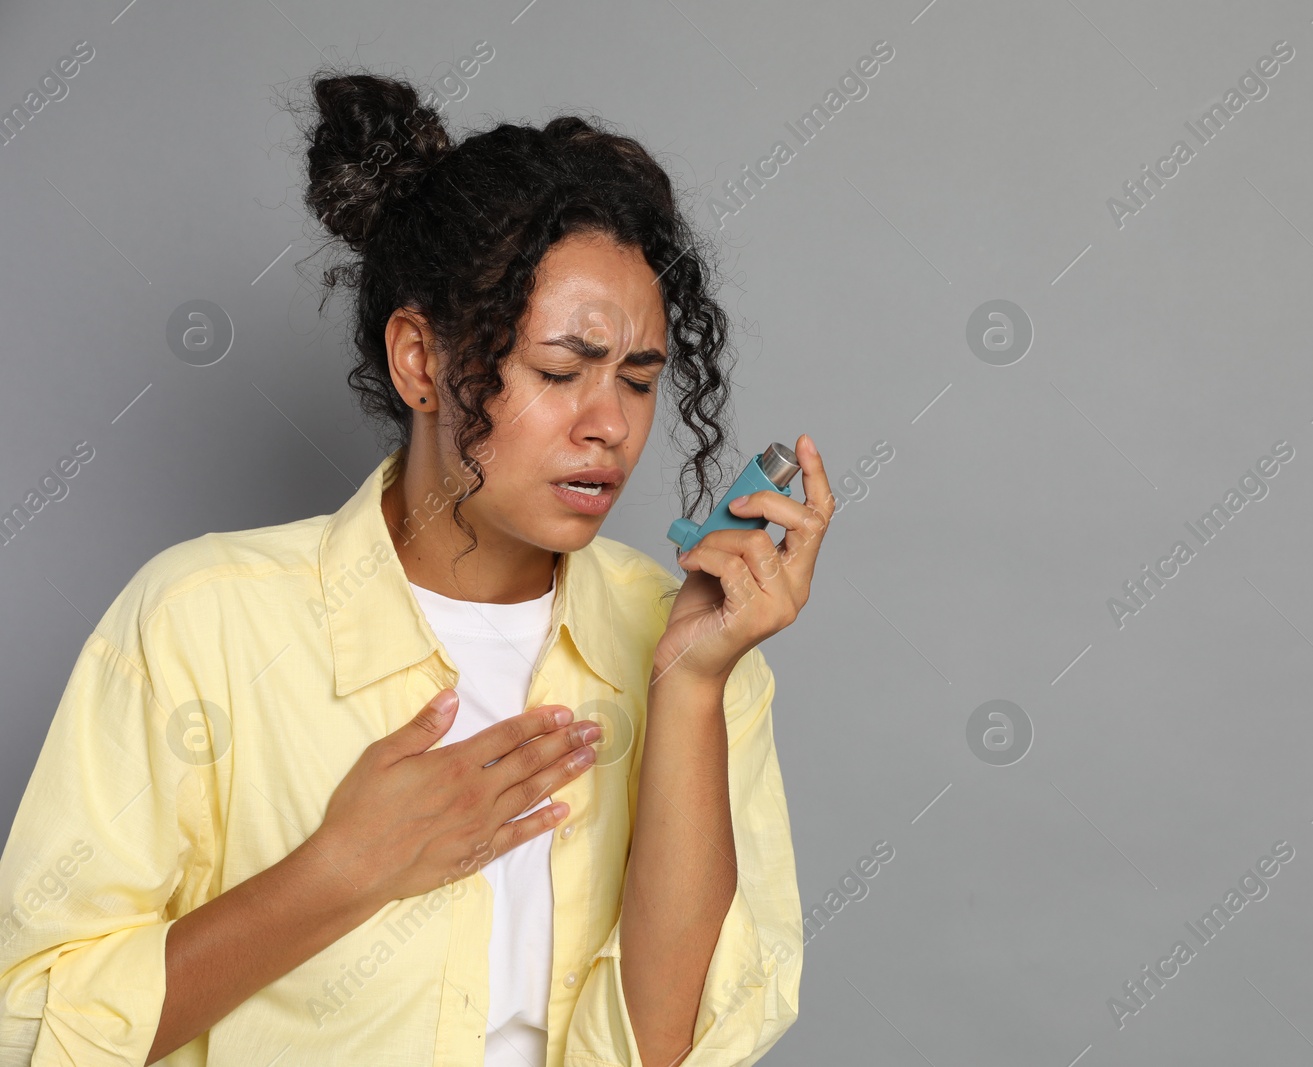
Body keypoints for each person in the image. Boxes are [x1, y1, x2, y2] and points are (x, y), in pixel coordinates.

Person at [0, 70, 830, 1067]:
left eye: (640, 381)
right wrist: (340, 870)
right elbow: (32, 1024)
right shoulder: (201, 621)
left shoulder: (683, 632)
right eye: (561, 372)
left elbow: (663, 1048)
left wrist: (691, 684)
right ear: (420, 361)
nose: (608, 426)